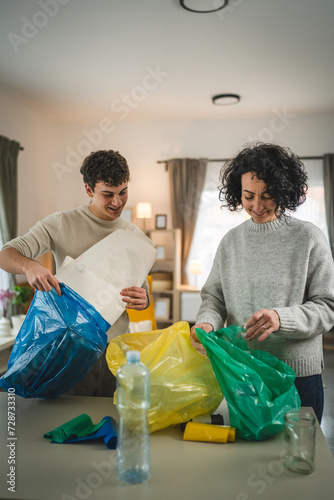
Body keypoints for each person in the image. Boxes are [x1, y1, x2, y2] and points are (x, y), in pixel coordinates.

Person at [190, 143, 334, 423]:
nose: (256, 206)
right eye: (248, 196)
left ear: (284, 192)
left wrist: (282, 318)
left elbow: (328, 307)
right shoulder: (230, 241)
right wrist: (207, 323)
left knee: (297, 460)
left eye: (267, 196)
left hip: (297, 377)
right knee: (245, 460)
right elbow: (214, 299)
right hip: (243, 374)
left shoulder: (308, 238)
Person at [0, 149, 152, 397]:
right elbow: (6, 253)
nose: (117, 202)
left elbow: (143, 293)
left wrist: (143, 299)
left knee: (109, 425)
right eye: (108, 194)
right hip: (67, 350)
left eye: (123, 192)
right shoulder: (61, 223)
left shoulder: (137, 238)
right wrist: (30, 266)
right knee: (64, 424)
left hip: (113, 354)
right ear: (89, 190)